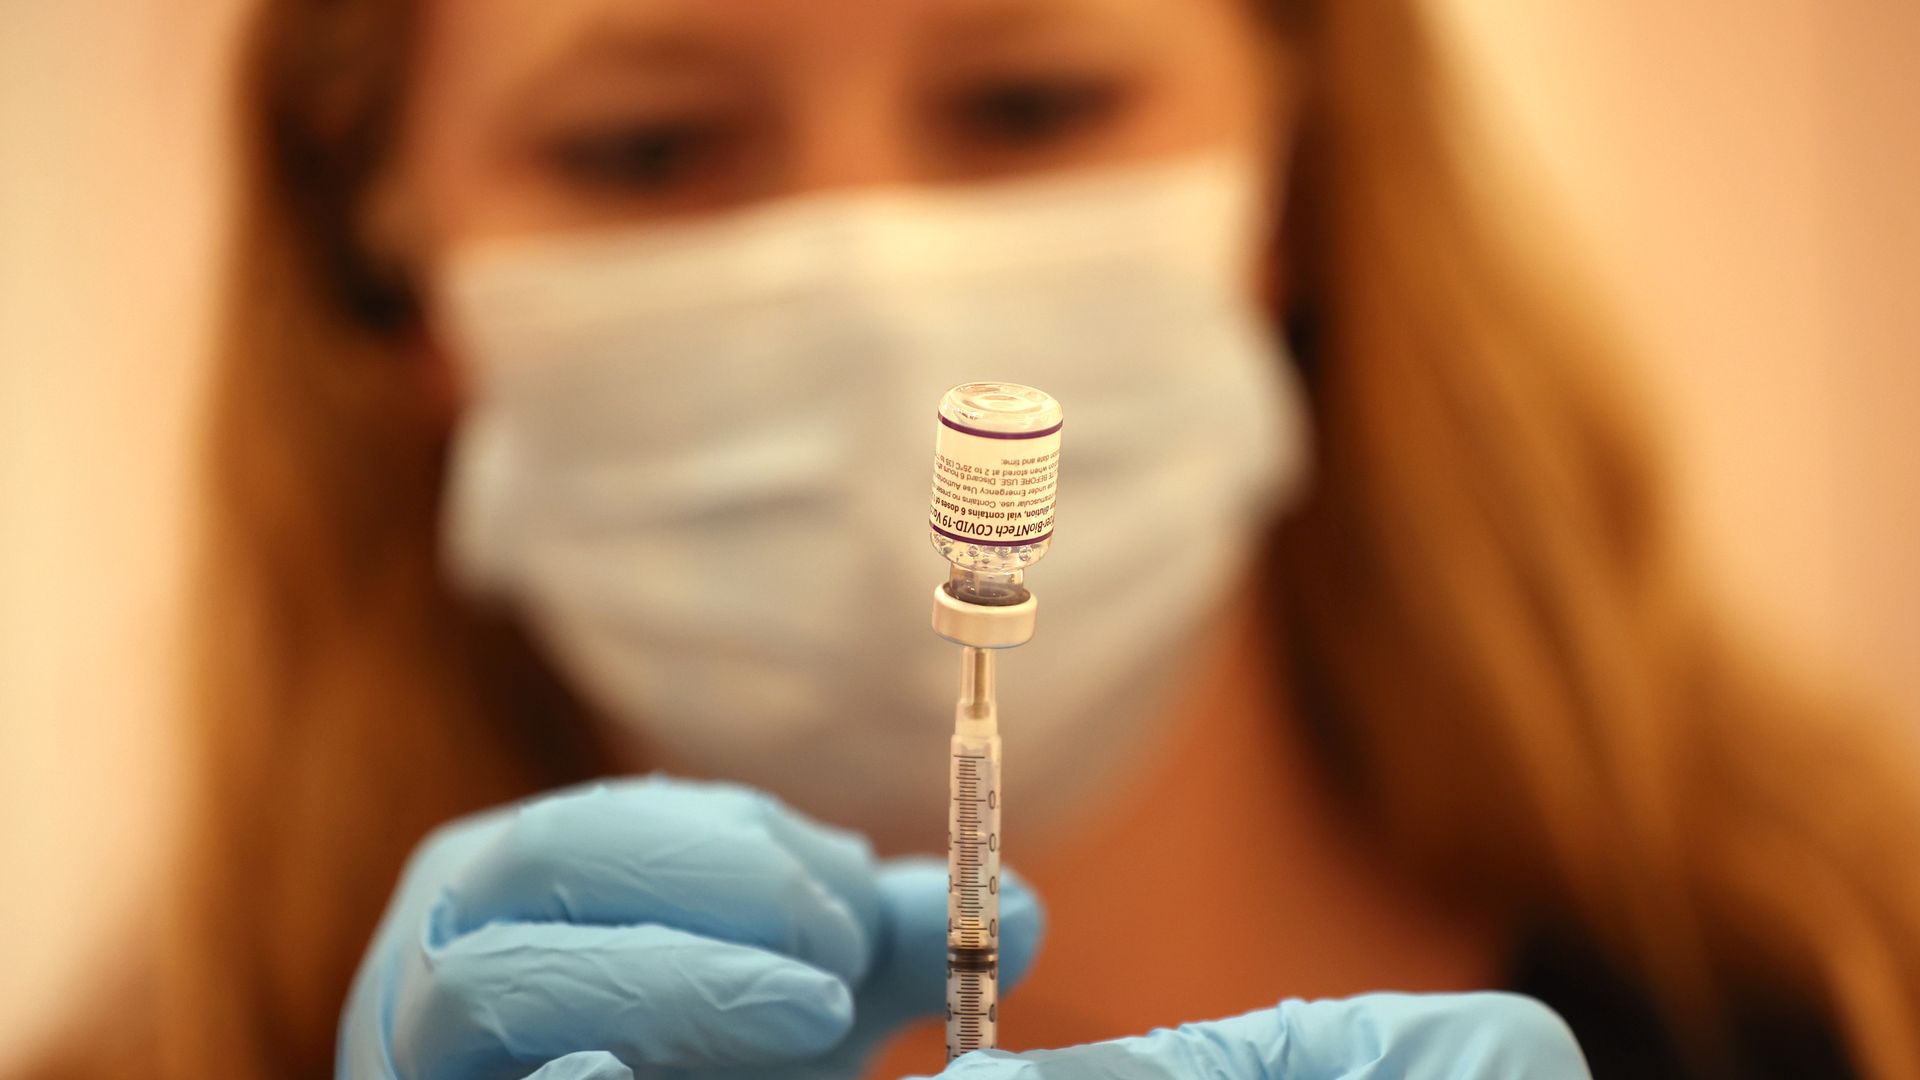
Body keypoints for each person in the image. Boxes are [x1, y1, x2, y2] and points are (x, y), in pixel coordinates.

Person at [18, 0, 1920, 1077]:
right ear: (393, 285)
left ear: (1302, 178)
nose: (877, 280)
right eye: (648, 149)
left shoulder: (1854, 984)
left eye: (1028, 103)